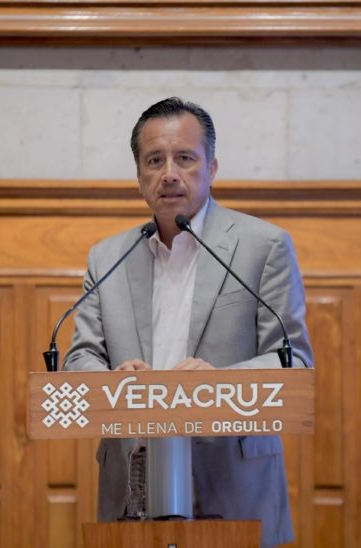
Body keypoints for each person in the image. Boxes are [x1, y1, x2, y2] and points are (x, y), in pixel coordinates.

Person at [63, 97, 314, 547]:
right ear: (139, 176)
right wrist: (113, 381)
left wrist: (217, 384)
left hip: (235, 485)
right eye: (154, 161)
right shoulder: (107, 257)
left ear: (211, 168)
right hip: (132, 489)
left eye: (185, 158)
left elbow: (291, 362)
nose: (169, 173)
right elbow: (81, 358)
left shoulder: (264, 246)